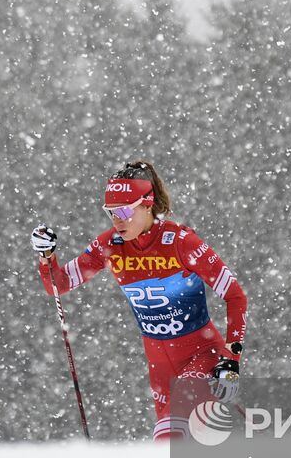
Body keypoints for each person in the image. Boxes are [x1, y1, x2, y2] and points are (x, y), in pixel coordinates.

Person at [31, 160, 248, 441]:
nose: (117, 220)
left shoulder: (181, 242)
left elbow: (235, 296)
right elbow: (58, 285)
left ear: (147, 204)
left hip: (202, 356)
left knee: (170, 442)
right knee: (175, 457)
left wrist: (231, 360)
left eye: (123, 211)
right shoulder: (111, 245)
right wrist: (46, 256)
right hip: (158, 366)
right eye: (110, 213)